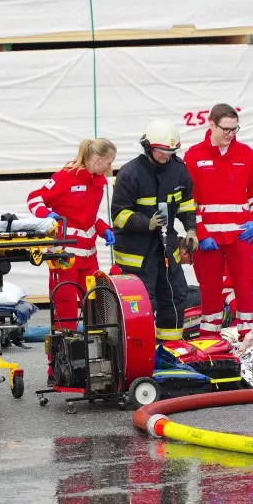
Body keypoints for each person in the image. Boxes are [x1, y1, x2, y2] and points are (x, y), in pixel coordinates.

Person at [26, 138, 116, 384]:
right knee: (64, 316)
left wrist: (103, 228)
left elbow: (88, 217)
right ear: (98, 159)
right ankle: (56, 369)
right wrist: (47, 214)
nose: (110, 166)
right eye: (109, 162)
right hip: (65, 258)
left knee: (96, 312)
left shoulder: (98, 182)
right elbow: (34, 199)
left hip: (89, 258)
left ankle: (94, 365)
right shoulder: (65, 177)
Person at [184, 103, 253, 337]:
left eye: (234, 129)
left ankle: (249, 339)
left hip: (240, 236)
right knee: (210, 293)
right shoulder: (194, 156)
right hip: (208, 239)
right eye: (226, 129)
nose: (230, 134)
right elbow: (189, 201)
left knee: (245, 290)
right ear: (211, 125)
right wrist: (201, 233)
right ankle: (210, 342)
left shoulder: (246, 154)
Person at [110, 119, 198, 342]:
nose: (166, 156)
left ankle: (169, 347)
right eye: (161, 151)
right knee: (142, 303)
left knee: (175, 298)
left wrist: (191, 230)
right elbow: (119, 215)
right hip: (137, 253)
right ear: (148, 146)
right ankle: (142, 350)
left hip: (166, 248)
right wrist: (145, 223)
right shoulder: (130, 173)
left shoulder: (178, 170)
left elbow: (186, 204)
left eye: (170, 152)